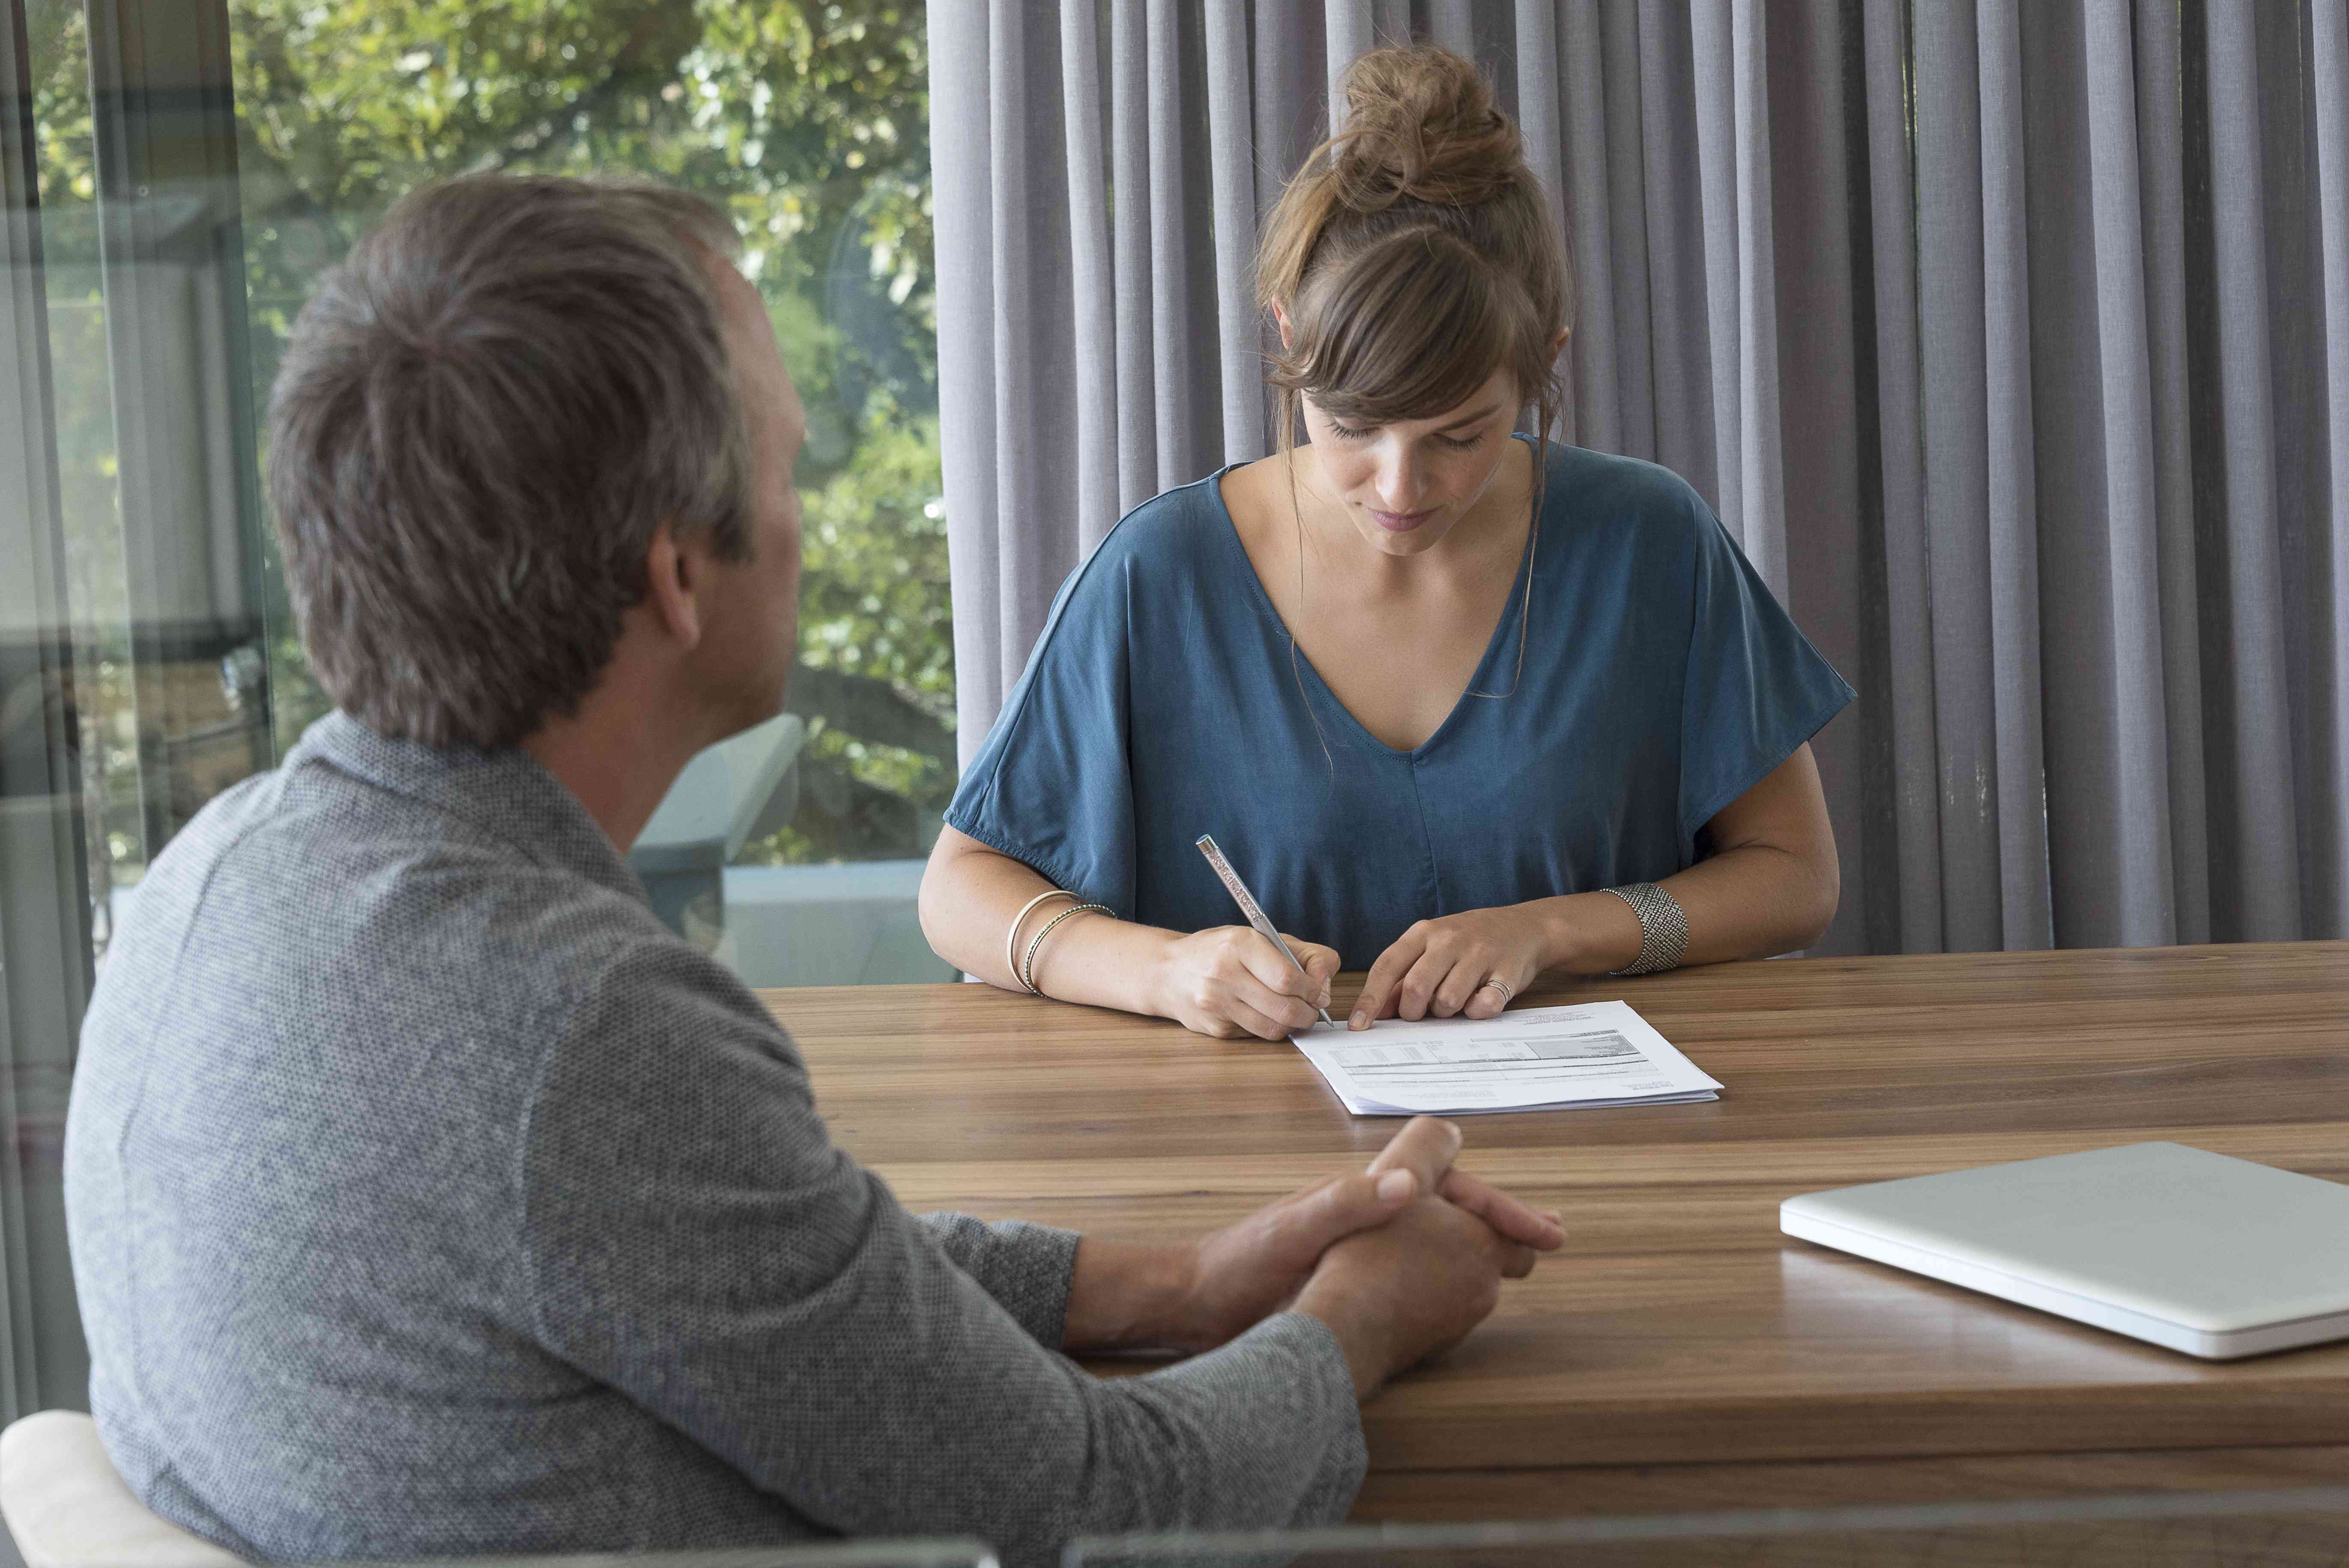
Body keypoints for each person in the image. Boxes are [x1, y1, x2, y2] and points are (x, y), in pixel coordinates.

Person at [60, 174, 1565, 1566]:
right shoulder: (583, 1036)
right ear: (675, 572)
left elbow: (759, 1269)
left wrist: (1178, 1282)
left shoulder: (215, 880)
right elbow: (1112, 1511)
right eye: (788, 465)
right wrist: (1357, 1319)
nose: (806, 512)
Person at [920, 45, 1853, 1042]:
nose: (1402, 488)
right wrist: (1161, 970)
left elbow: (1795, 878)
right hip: (1239, 1161)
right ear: (1288, 335)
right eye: (1354, 426)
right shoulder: (1162, 573)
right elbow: (960, 892)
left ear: (1544, 362)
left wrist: (1554, 931)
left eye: (1460, 435)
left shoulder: (1651, 542)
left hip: (1601, 1143)